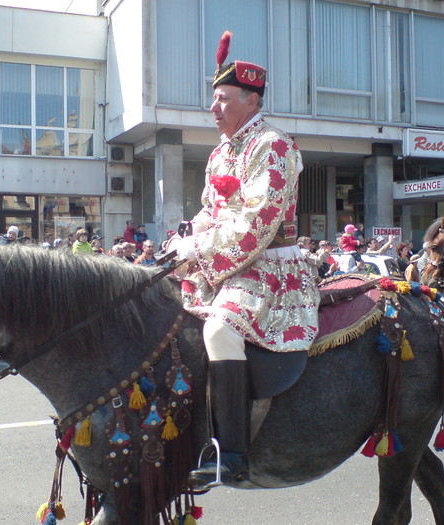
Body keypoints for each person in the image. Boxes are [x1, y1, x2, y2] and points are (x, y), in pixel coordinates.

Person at [174, 31, 321, 488]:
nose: (213, 108)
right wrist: (186, 235)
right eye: (213, 99)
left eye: (223, 99)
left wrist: (198, 249)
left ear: (252, 100)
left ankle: (231, 455)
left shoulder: (273, 146)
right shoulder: (220, 151)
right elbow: (209, 210)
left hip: (269, 267)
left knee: (220, 329)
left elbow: (257, 223)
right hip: (227, 259)